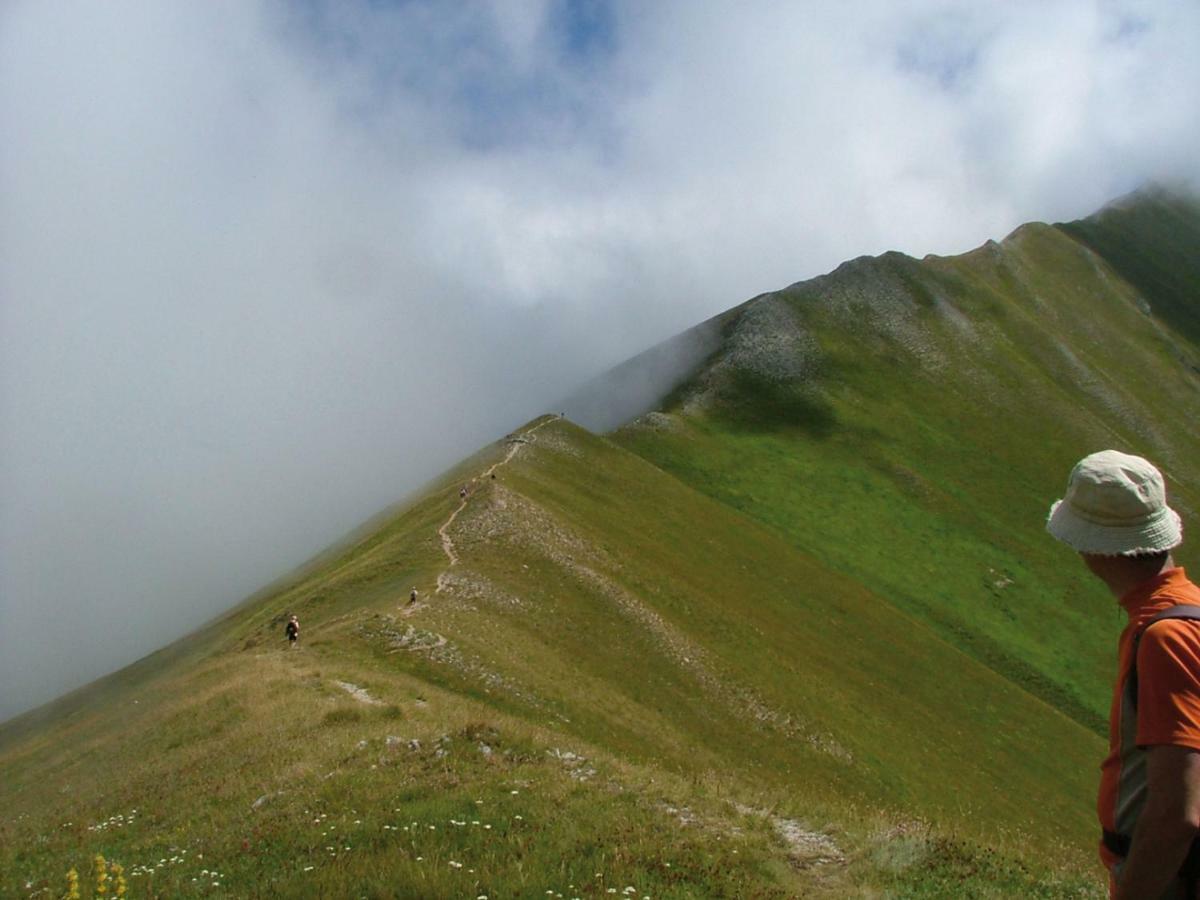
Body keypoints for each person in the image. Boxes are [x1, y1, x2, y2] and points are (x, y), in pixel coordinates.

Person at [1047, 450, 1200, 899]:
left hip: (1170, 879)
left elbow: (1177, 814)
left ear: (1094, 549)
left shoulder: (1164, 636)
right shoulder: (1186, 612)